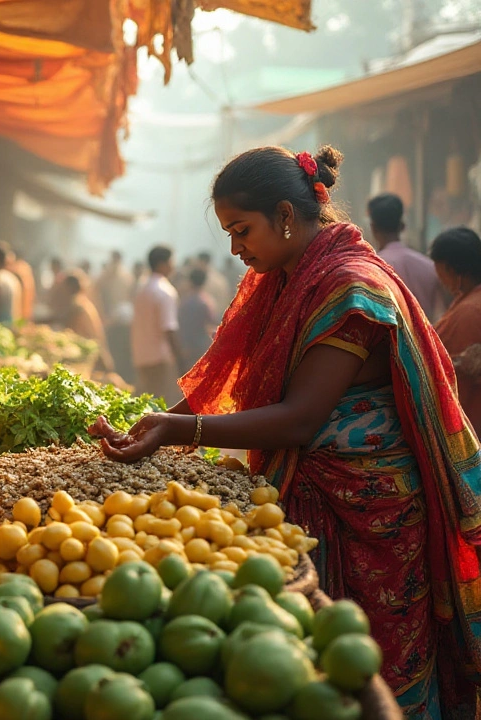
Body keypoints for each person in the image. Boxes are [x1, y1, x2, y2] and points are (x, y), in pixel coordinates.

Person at [94, 145, 481, 718]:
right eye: (228, 232)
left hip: (373, 513)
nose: (235, 247)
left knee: (371, 666)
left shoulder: (349, 286)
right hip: (315, 496)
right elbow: (240, 375)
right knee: (319, 667)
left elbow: (301, 417)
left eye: (241, 229)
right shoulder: (288, 276)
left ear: (283, 214)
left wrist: (179, 429)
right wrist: (158, 424)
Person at [368, 193, 448, 320]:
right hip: (425, 337)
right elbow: (441, 313)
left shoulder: (372, 269)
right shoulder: (430, 266)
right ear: (402, 226)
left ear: (373, 228)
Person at [430, 226, 481, 428]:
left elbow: (443, 363)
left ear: (451, 268)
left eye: (439, 269)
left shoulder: (470, 311)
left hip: (468, 419)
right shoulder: (466, 300)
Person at [130, 245, 181, 403]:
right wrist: (180, 361)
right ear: (162, 264)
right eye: (171, 261)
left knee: (149, 402)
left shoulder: (142, 288)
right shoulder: (164, 291)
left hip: (142, 356)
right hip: (160, 358)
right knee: (163, 403)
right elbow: (168, 329)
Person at [53, 269, 115, 373]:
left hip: (91, 353)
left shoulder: (78, 305)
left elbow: (65, 324)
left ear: (70, 288)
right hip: (92, 350)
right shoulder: (82, 302)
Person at [177, 267, 217, 368]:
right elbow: (212, 321)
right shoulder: (206, 302)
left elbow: (180, 323)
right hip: (202, 344)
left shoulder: (184, 302)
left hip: (187, 344)